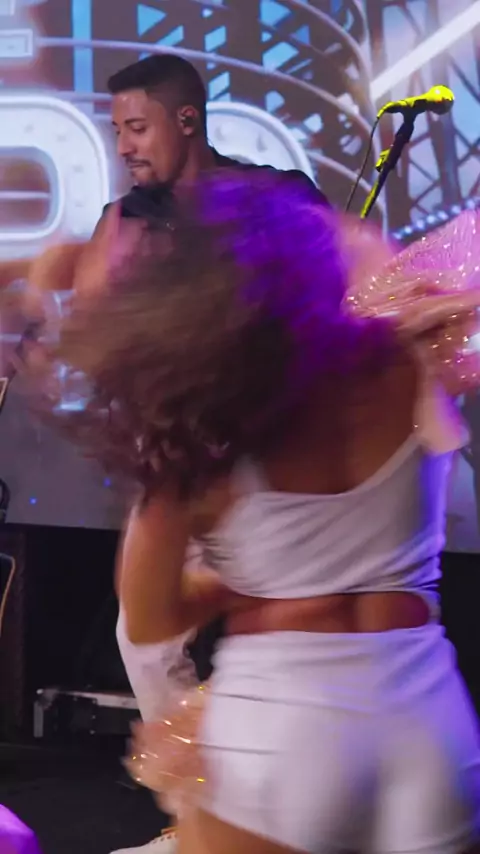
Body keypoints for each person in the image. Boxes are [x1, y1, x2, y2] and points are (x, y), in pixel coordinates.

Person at [33, 170, 480, 854]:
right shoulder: (410, 363)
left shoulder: (205, 431)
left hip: (285, 732)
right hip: (431, 725)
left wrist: (239, 586)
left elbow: (148, 617)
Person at [1, 55, 329, 854]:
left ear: (188, 121)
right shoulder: (124, 220)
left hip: (279, 462)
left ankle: (288, 811)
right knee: (146, 640)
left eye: (137, 127)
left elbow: (335, 303)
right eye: (116, 129)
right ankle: (199, 820)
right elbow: (92, 321)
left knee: (284, 633)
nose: (124, 146)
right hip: (186, 464)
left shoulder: (276, 196)